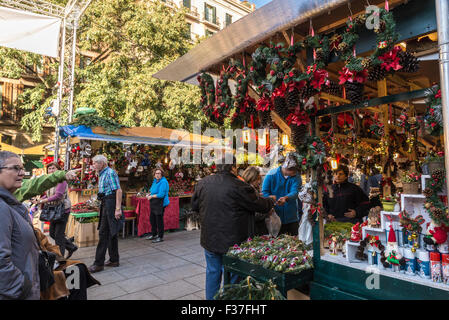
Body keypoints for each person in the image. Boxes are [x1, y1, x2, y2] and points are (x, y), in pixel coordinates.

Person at [191, 155, 275, 300]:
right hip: (233, 241)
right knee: (234, 276)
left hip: (210, 238)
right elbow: (258, 205)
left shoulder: (203, 183)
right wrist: (270, 201)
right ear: (233, 167)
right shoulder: (238, 185)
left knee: (213, 271)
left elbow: (195, 206)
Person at [0, 151, 40, 300]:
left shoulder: (10, 202)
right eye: (16, 168)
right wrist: (22, 287)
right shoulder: (2, 207)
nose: (22, 173)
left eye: (22, 168)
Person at [35, 228, 100, 300]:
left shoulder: (35, 231)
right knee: (58, 279)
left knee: (77, 269)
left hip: (50, 265)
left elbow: (50, 247)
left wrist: (55, 257)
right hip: (39, 274)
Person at [88, 155, 124, 273]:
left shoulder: (110, 173)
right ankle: (114, 259)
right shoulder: (102, 173)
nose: (93, 165)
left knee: (104, 233)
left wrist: (117, 209)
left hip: (111, 203)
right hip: (106, 202)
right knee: (110, 232)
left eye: (95, 163)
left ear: (102, 163)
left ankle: (98, 263)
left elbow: (118, 190)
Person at [37, 162, 78, 259]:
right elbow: (48, 194)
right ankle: (71, 247)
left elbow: (58, 195)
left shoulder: (61, 180)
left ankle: (61, 258)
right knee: (52, 233)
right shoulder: (50, 181)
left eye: (53, 168)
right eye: (49, 168)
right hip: (53, 210)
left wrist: (43, 200)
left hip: (62, 210)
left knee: (59, 236)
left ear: (58, 170)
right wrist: (40, 198)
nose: (51, 170)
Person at [261, 153, 302, 236]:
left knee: (294, 244)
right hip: (274, 217)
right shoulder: (271, 174)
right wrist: (271, 199)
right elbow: (264, 192)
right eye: (293, 171)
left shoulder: (296, 176)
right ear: (285, 168)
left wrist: (286, 198)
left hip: (292, 218)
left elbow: (295, 192)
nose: (295, 173)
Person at [241, 166, 274, 237]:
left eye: (259, 178)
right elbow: (254, 214)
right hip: (255, 230)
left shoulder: (250, 189)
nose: (259, 182)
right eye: (257, 179)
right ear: (251, 178)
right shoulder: (249, 191)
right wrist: (267, 211)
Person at [146, 168, 170, 243]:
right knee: (152, 219)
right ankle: (154, 234)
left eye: (159, 173)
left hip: (160, 203)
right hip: (154, 203)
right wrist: (149, 194)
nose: (157, 175)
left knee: (159, 220)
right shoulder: (155, 181)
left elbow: (161, 194)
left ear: (162, 174)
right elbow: (152, 190)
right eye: (156, 173)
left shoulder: (163, 182)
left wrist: (151, 196)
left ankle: (160, 236)